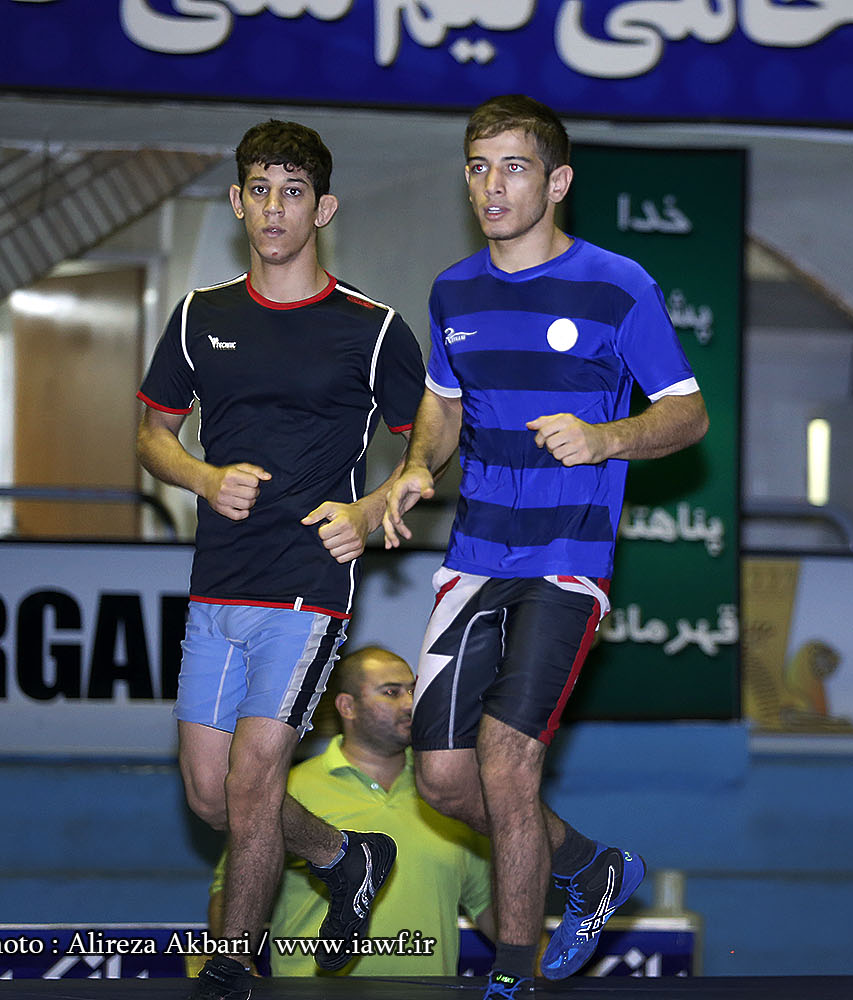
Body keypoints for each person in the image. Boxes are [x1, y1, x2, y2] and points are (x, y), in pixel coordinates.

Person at [381, 94, 708, 999]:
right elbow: (443, 403)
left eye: (514, 168)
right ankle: (592, 865)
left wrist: (606, 438)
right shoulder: (453, 291)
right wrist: (417, 468)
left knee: (507, 761)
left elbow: (687, 414)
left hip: (567, 561)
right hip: (474, 555)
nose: (492, 186)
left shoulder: (618, 284)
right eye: (478, 167)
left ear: (558, 181)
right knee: (443, 779)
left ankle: (511, 979)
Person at [135, 119, 426, 1000]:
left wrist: (372, 509)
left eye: (293, 192)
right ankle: (344, 857)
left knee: (255, 776)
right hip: (217, 582)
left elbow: (432, 445)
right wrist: (201, 476)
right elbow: (152, 435)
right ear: (236, 201)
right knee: (211, 795)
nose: (274, 207)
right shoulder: (201, 316)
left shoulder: (372, 329)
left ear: (322, 209)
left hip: (308, 586)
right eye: (260, 190)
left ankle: (232, 965)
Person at [208, 646, 494, 977]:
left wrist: (536, 963)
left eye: (413, 691)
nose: (410, 704)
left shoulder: (449, 794)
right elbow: (229, 891)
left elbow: (487, 906)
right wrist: (238, 969)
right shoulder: (289, 791)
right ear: (347, 706)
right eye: (391, 692)